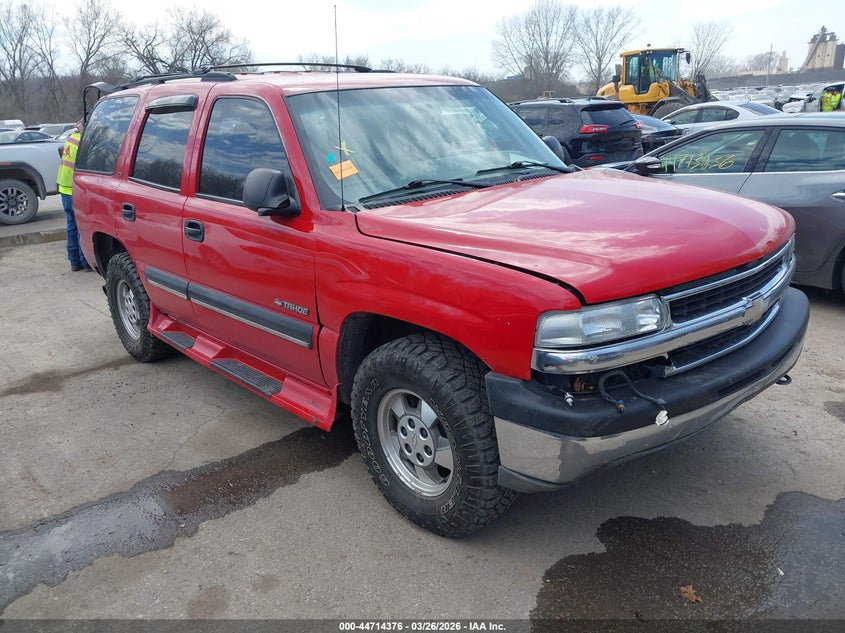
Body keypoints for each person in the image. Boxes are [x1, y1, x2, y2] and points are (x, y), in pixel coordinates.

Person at [56, 118, 91, 271]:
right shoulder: (83, 142)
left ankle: (74, 262)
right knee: (82, 227)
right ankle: (85, 262)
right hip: (75, 190)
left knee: (71, 226)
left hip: (65, 188)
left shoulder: (71, 138)